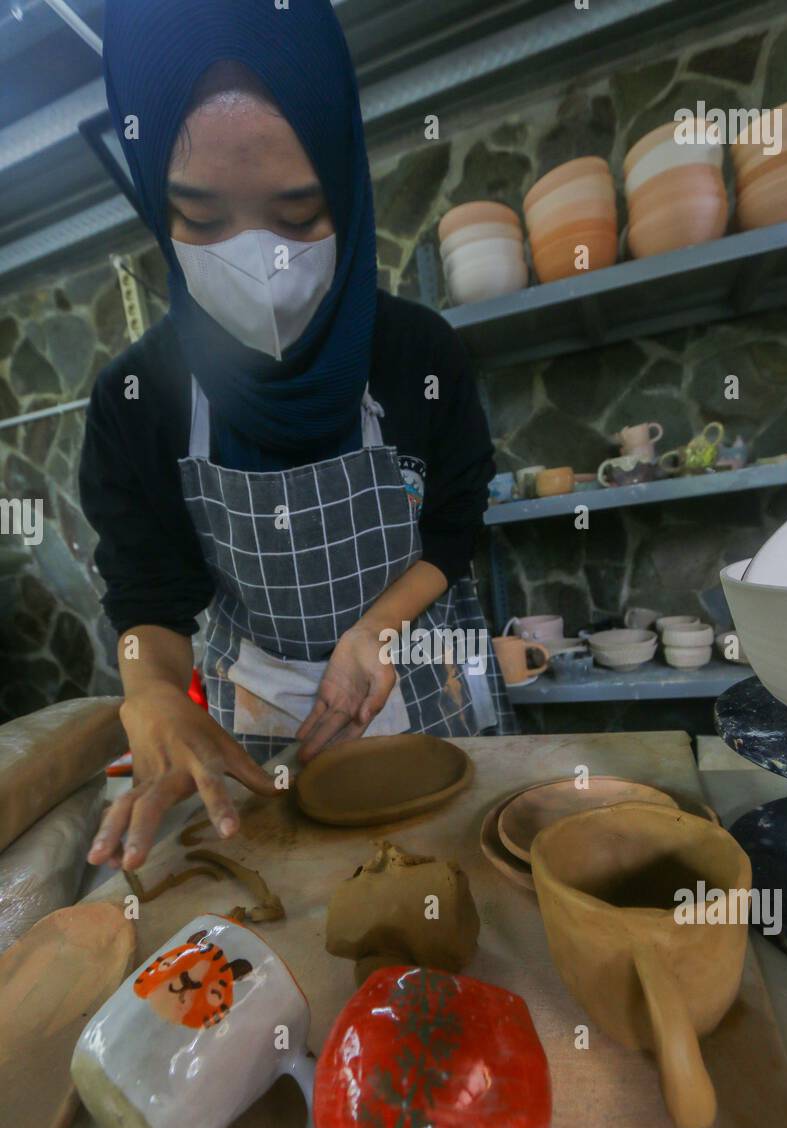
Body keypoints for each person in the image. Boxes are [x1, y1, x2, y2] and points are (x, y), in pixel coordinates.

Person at [82, 0, 514, 875]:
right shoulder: (138, 397)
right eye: (201, 220)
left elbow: (453, 527)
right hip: (265, 715)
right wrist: (153, 694)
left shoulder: (415, 353)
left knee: (457, 892)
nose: (261, 265)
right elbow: (148, 598)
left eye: (298, 210)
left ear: (346, 187)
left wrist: (378, 630)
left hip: (418, 676)